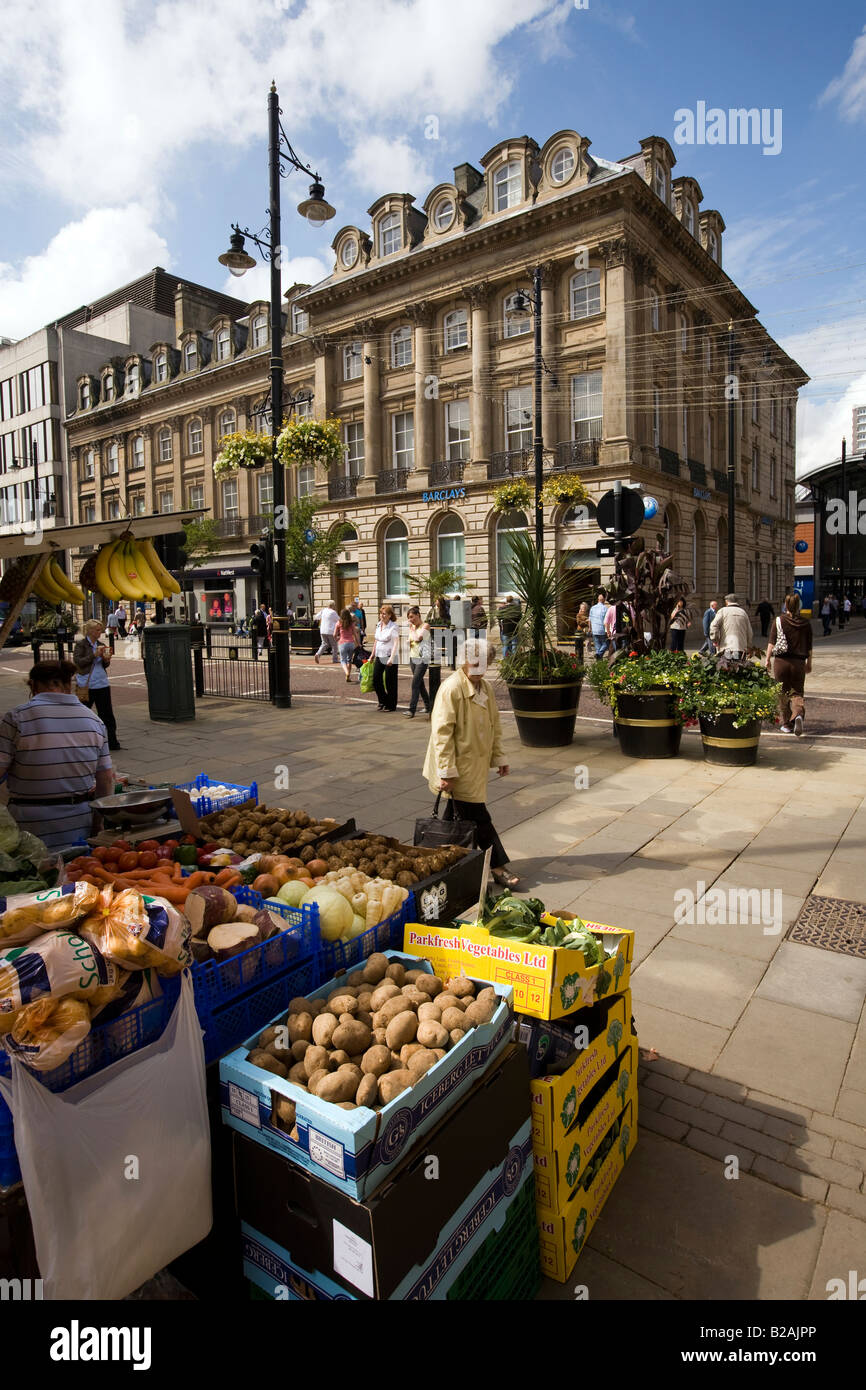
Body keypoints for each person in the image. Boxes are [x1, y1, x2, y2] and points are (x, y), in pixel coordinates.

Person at [423, 638, 516, 888]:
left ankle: (435, 862)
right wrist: (446, 772)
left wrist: (499, 758)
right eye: (476, 662)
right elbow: (441, 734)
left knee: (455, 819)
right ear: (464, 660)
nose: (480, 668)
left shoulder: (485, 687)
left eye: (485, 663)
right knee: (478, 817)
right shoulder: (451, 688)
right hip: (458, 769)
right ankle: (497, 866)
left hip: (474, 767)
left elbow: (494, 726)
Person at [0, 660, 115, 851]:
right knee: (74, 876)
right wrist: (97, 824)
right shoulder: (94, 721)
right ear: (68, 685)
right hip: (78, 824)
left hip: (29, 827)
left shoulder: (16, 718)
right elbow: (105, 781)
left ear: (34, 685)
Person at [766, 592, 812, 737]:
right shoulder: (806, 623)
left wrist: (767, 659)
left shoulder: (778, 621)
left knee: (782, 692)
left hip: (781, 662)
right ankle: (797, 714)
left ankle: (786, 724)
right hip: (798, 662)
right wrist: (809, 663)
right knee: (797, 692)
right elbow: (809, 646)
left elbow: (771, 643)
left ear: (786, 605)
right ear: (798, 606)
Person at [72, 621, 121, 751]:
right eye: (97, 630)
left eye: (101, 630)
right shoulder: (81, 645)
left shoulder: (101, 645)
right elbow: (78, 662)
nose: (100, 632)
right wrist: (93, 655)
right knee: (83, 714)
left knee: (107, 714)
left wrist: (106, 660)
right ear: (89, 631)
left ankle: (112, 742)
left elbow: (104, 665)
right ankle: (80, 741)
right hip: (86, 685)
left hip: (101, 683)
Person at [405, 606, 432, 718]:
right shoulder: (413, 627)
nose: (411, 619)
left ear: (418, 615)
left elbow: (418, 638)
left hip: (423, 658)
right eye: (409, 618)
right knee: (420, 684)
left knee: (415, 684)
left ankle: (412, 710)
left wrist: (412, 630)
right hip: (413, 657)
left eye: (412, 617)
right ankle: (428, 705)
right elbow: (411, 641)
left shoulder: (425, 626)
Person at [372, 603, 400, 711]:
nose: (382, 615)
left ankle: (391, 705)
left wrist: (392, 658)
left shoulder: (393, 627)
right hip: (379, 655)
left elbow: (396, 643)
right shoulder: (379, 625)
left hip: (390, 656)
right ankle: (383, 700)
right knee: (376, 679)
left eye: (384, 614)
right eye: (381, 613)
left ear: (389, 615)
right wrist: (372, 654)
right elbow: (376, 640)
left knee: (390, 682)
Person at [709, 593, 753, 659]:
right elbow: (749, 632)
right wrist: (749, 646)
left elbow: (714, 625)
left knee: (727, 667)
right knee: (739, 666)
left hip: (726, 647)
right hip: (741, 648)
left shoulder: (722, 611)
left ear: (726, 602)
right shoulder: (743, 612)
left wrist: (715, 640)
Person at [335, 607, 359, 683]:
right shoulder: (351, 623)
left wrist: (337, 639)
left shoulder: (339, 623)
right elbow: (355, 634)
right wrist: (359, 643)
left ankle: (347, 673)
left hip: (342, 643)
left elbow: (334, 634)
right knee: (349, 660)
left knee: (343, 660)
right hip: (351, 643)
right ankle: (348, 676)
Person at [589, 591, 609, 658]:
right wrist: (608, 630)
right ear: (603, 600)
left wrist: (590, 628)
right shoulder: (605, 608)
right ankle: (599, 654)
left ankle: (598, 660)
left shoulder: (592, 608)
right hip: (602, 629)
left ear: (598, 600)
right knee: (606, 644)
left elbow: (590, 619)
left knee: (597, 647)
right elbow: (606, 621)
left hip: (594, 630)